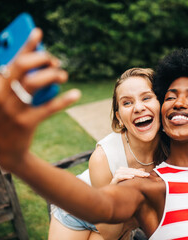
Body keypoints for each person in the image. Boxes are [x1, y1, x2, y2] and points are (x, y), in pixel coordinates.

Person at [0, 28, 188, 240]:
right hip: (80, 215)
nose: (179, 102)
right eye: (170, 96)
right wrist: (18, 159)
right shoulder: (148, 187)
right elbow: (98, 205)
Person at [49, 67, 166, 240]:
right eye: (127, 103)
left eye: (147, 97)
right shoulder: (103, 157)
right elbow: (109, 233)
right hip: (77, 211)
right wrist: (113, 193)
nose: (138, 108)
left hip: (120, 222)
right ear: (119, 117)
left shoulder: (174, 147)